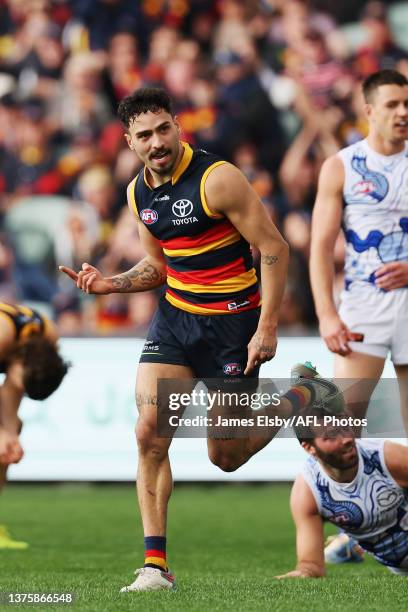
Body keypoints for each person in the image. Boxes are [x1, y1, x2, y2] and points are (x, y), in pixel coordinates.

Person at [60, 87, 340, 591]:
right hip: (176, 320)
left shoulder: (218, 179)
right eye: (144, 135)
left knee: (225, 457)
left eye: (163, 129)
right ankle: (155, 567)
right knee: (149, 432)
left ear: (178, 128)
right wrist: (108, 283)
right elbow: (159, 266)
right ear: (129, 142)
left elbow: (274, 248)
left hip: (233, 327)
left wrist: (267, 325)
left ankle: (303, 395)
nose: (156, 141)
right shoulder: (136, 192)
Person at [310, 69, 408, 558]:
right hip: (362, 311)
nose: (403, 112)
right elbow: (320, 246)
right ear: (369, 110)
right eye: (392, 104)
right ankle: (354, 531)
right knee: (340, 431)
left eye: (407, 103)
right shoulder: (342, 166)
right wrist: (326, 315)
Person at [276, 412, 408, 578]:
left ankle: (349, 544)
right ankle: (349, 544)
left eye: (345, 428)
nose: (346, 439)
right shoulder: (308, 490)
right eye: (331, 436)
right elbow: (312, 565)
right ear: (309, 448)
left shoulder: (386, 457)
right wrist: (303, 573)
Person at [0, 302, 70, 549]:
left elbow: (13, 386)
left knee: (9, 437)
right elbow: (13, 384)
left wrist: (9, 435)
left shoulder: (47, 342)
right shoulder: (3, 334)